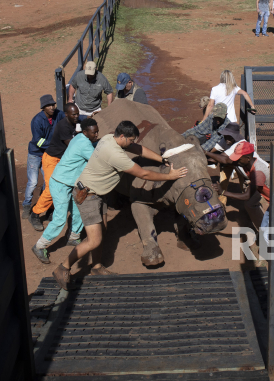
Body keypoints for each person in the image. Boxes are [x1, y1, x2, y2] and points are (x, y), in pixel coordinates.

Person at [52, 121, 188, 289]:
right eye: (130, 140)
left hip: (97, 194)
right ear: (122, 136)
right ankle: (63, 267)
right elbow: (143, 173)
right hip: (88, 197)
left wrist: (161, 159)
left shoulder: (110, 138)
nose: (132, 143)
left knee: (101, 231)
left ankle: (96, 267)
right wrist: (170, 176)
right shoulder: (115, 154)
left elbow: (138, 149)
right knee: (94, 240)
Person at [32, 118, 100, 264]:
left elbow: (92, 146)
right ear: (86, 132)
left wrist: (97, 142)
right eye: (94, 133)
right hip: (61, 183)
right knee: (60, 218)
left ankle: (73, 236)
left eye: (97, 132)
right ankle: (39, 246)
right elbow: (98, 160)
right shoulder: (84, 144)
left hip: (69, 182)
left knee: (78, 210)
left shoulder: (79, 137)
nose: (96, 134)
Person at [31, 103, 80, 231]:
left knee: (61, 187)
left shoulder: (76, 122)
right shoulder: (63, 126)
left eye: (77, 114)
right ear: (66, 114)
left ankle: (50, 211)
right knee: (51, 188)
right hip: (52, 159)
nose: (76, 117)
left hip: (62, 160)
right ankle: (35, 213)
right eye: (74, 114)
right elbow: (72, 146)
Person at [215, 141, 270, 230]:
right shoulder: (246, 163)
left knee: (270, 232)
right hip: (267, 193)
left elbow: (247, 195)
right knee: (250, 204)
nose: (236, 160)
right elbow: (226, 160)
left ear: (248, 158)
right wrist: (206, 153)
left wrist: (223, 192)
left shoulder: (258, 172)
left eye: (238, 158)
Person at [22, 95, 61, 220]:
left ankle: (44, 205)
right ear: (43, 108)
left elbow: (69, 116)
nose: (52, 107)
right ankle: (27, 205)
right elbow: (38, 141)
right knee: (33, 182)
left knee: (47, 182)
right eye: (49, 105)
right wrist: (54, 144)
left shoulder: (58, 115)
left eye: (53, 104)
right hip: (35, 154)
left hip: (47, 154)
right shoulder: (37, 121)